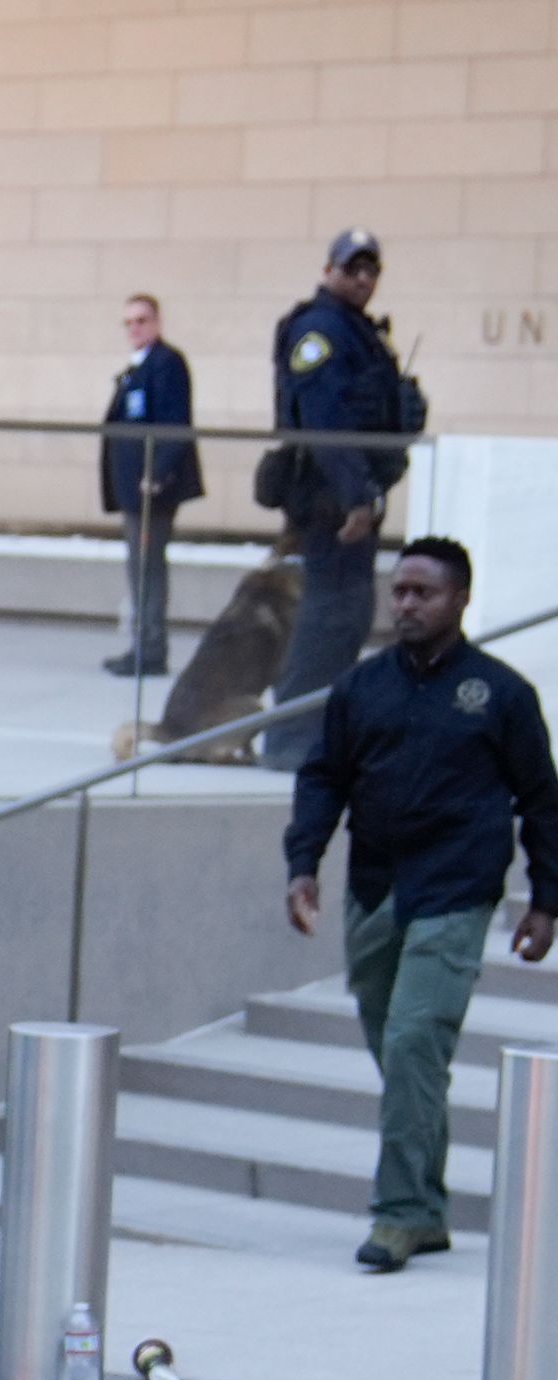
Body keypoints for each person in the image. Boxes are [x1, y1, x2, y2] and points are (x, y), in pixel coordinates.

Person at [284, 536, 558, 1272]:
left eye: (423, 593)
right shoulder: (362, 686)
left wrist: (546, 901)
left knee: (411, 1044)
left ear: (460, 599)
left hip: (456, 896)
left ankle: (400, 1214)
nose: (406, 604)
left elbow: (542, 801)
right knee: (403, 1053)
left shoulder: (500, 694)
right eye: (399, 590)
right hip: (373, 894)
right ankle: (429, 1210)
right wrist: (302, 864)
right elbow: (322, 778)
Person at [264, 230, 417, 771]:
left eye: (371, 270)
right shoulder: (320, 331)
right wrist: (356, 498)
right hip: (330, 500)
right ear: (328, 269)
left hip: (355, 495)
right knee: (328, 617)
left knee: (348, 617)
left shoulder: (359, 333)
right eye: (352, 268)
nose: (362, 279)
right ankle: (289, 742)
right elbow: (327, 424)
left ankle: (318, 733)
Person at [102, 292, 201, 680]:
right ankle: (143, 644)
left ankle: (151, 649)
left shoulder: (167, 363)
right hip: (133, 488)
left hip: (151, 490)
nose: (135, 328)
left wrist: (157, 474)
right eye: (128, 322)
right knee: (139, 569)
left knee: (147, 570)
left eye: (141, 320)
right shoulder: (138, 366)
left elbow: (176, 424)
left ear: (157, 323)